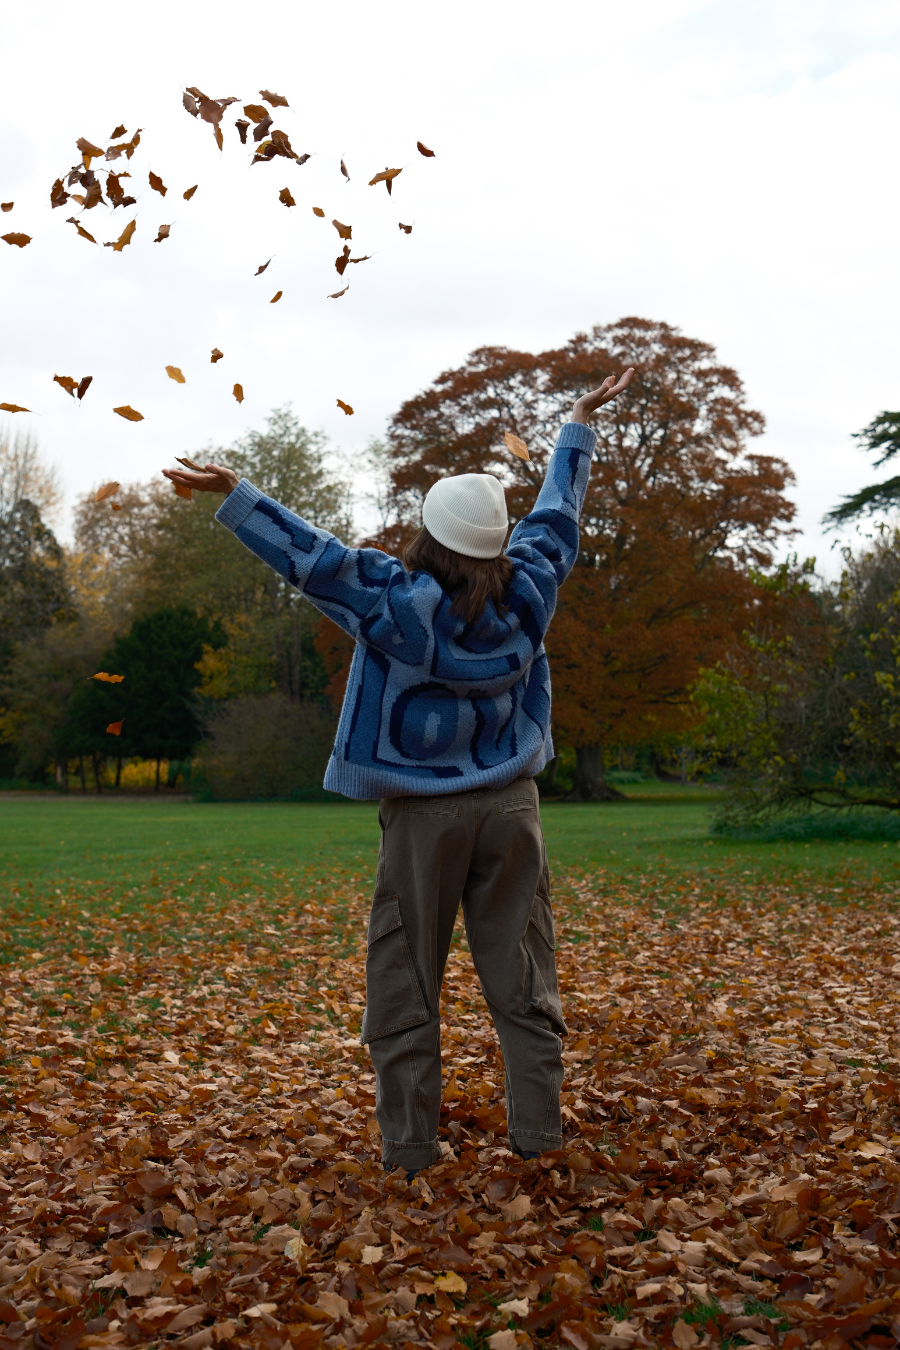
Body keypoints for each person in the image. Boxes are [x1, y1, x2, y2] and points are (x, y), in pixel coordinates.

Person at [163, 367, 634, 1177]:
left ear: (428, 537)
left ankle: (411, 1152)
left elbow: (313, 560)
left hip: (424, 819)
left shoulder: (394, 600)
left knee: (406, 977)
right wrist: (578, 423)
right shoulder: (533, 588)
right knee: (522, 973)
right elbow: (559, 512)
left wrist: (234, 492)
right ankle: (539, 1139)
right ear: (494, 540)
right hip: (514, 807)